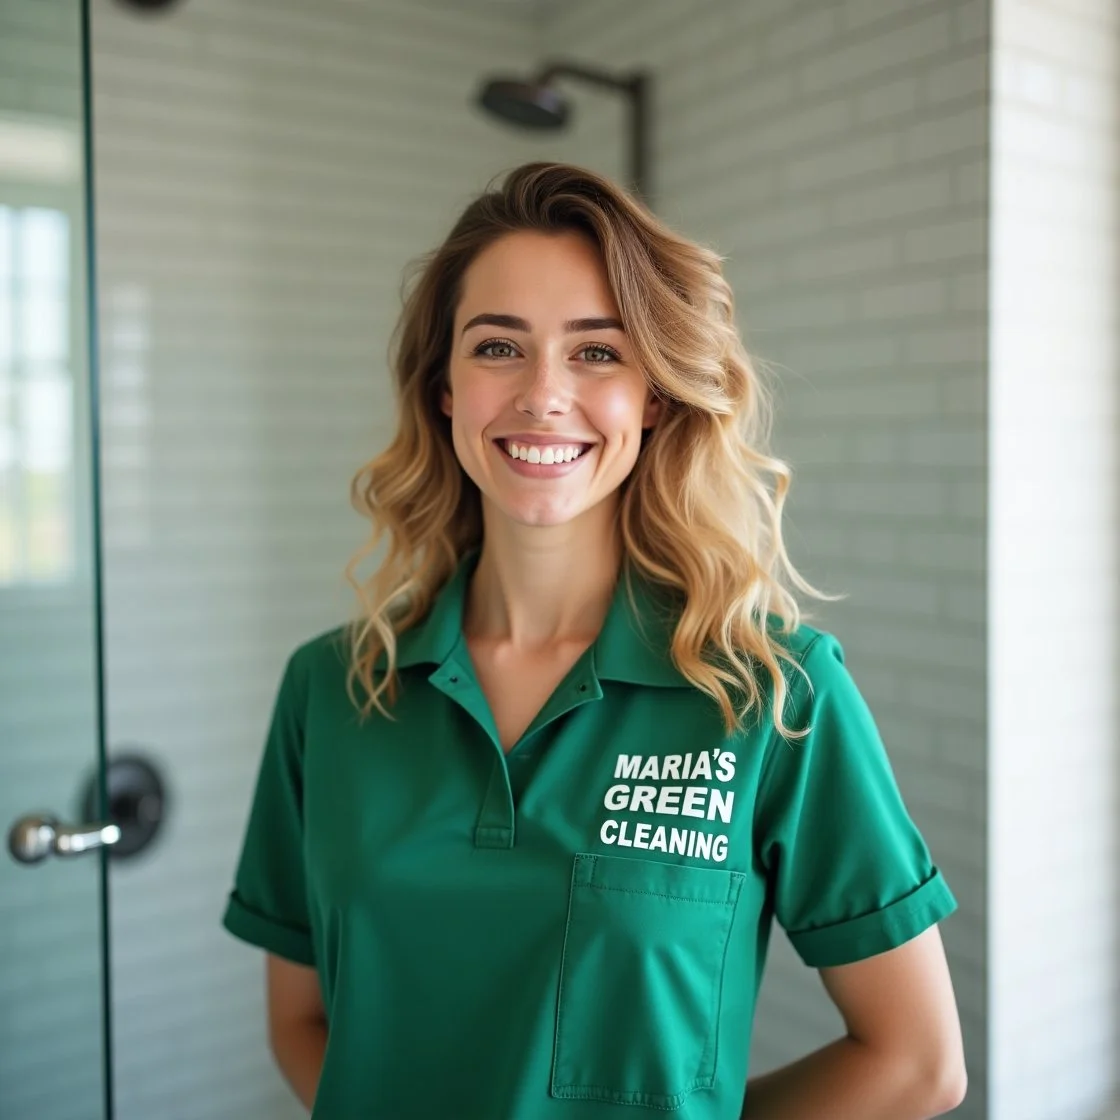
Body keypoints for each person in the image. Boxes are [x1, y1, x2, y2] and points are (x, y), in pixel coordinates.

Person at [222, 161, 967, 1119]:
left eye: (597, 353)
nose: (542, 394)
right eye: (497, 346)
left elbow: (915, 1064)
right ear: (443, 387)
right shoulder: (331, 687)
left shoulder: (772, 695)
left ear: (655, 397)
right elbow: (302, 1024)